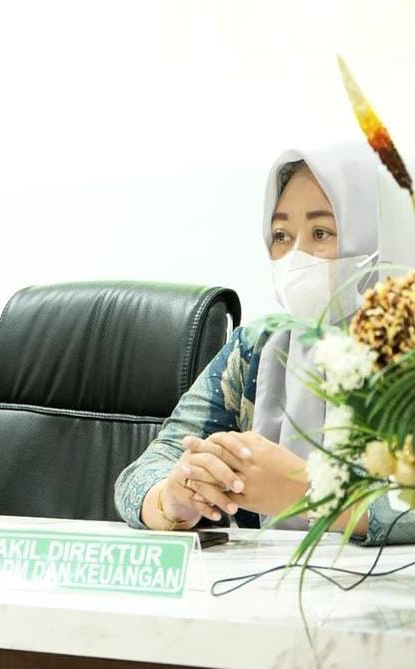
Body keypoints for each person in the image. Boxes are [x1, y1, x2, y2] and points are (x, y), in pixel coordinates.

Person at [115, 142, 415, 544]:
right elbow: (143, 471)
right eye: (281, 235)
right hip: (269, 580)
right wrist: (174, 498)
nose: (296, 255)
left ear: (378, 237)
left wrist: (309, 494)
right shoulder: (257, 347)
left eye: (321, 232)